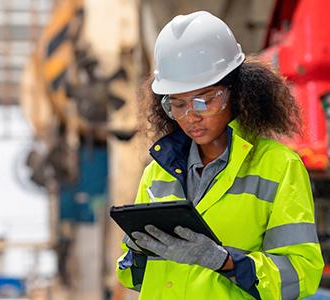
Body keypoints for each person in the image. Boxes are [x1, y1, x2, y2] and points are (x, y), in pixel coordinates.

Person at [115, 11, 324, 300]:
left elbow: (301, 275)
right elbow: (132, 277)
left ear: (237, 93)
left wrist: (223, 261)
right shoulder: (157, 173)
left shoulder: (278, 167)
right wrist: (137, 252)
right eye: (178, 104)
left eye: (205, 101)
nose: (191, 117)